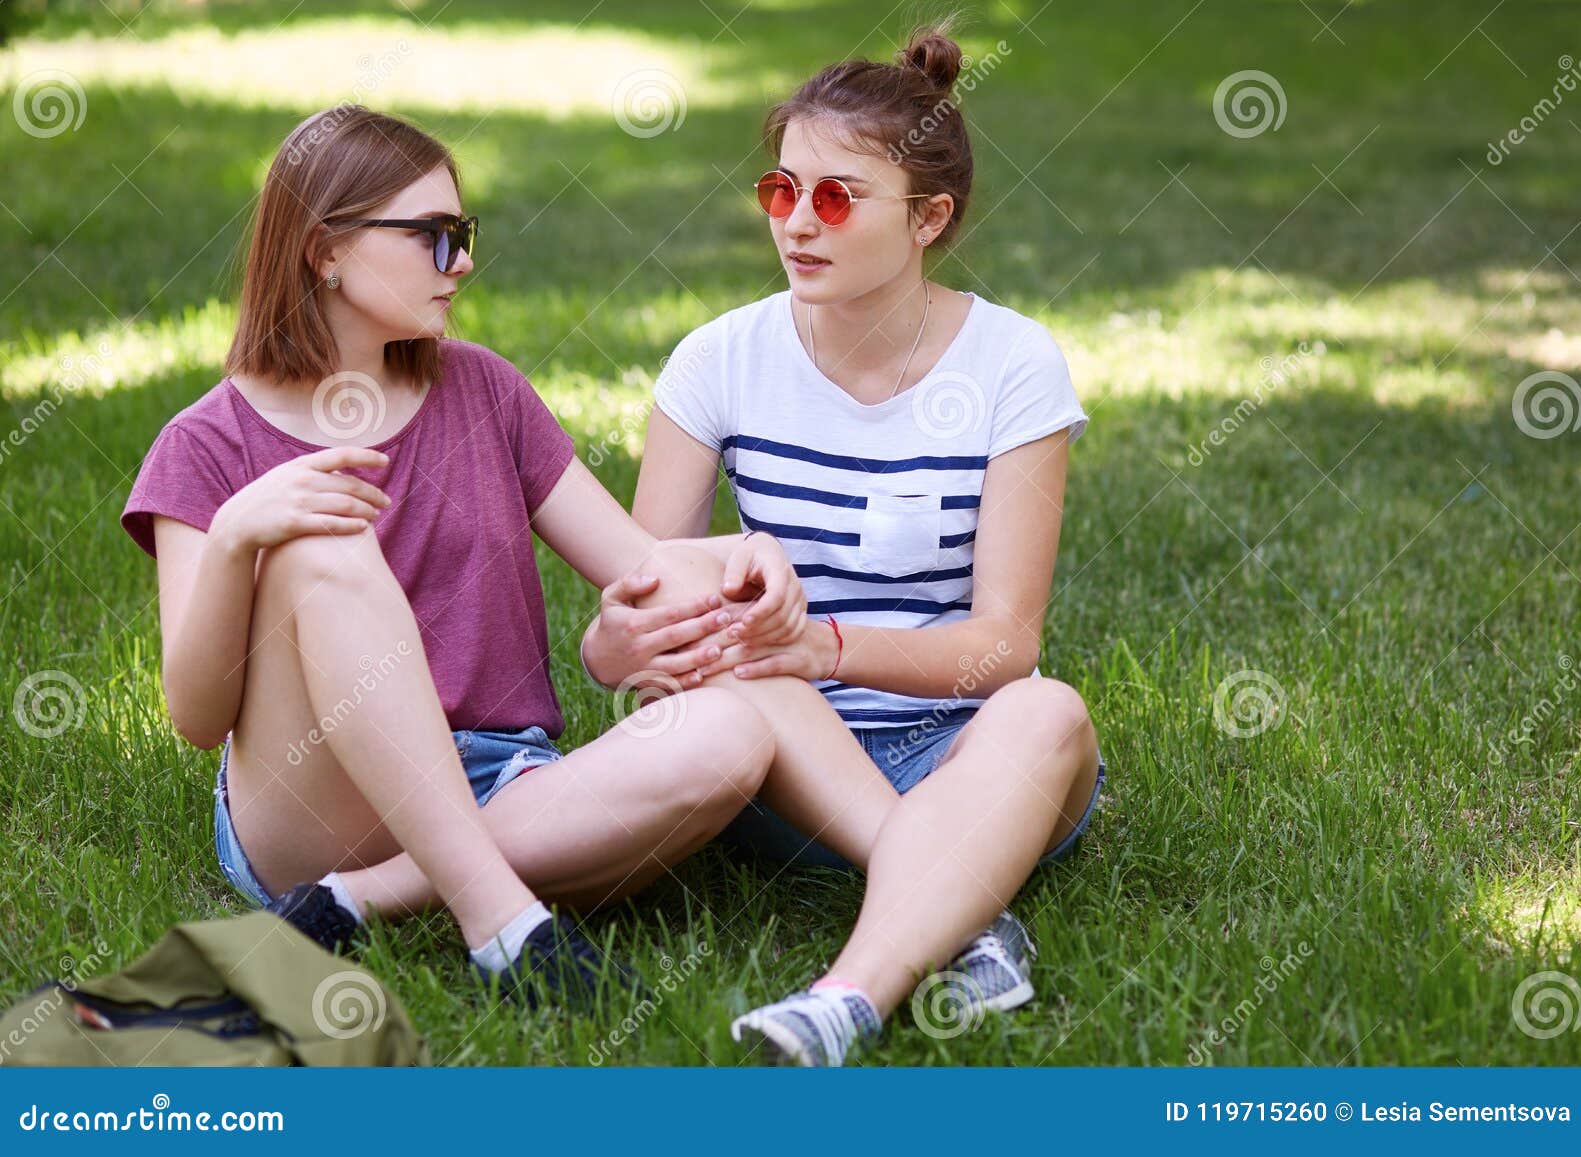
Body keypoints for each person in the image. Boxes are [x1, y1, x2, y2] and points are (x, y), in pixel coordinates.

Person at [119, 105, 851, 1010]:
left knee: (733, 733)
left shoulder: (485, 391)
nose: (462, 261)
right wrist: (238, 536)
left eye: (462, 233)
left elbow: (643, 568)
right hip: (317, 798)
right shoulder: (203, 445)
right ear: (325, 250)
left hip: (504, 782)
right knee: (318, 549)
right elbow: (197, 718)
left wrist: (745, 557)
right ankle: (505, 924)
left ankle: (361, 905)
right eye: (432, 236)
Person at [586, 22, 1107, 1063]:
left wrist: (821, 643)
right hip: (779, 760)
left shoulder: (1012, 365)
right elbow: (630, 620)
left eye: (836, 198)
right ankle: (954, 909)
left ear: (929, 217)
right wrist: (629, 641)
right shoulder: (717, 361)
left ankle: (841, 1000)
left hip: (963, 754)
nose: (796, 225)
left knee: (1047, 708)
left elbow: (1003, 645)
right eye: (781, 192)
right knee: (752, 681)